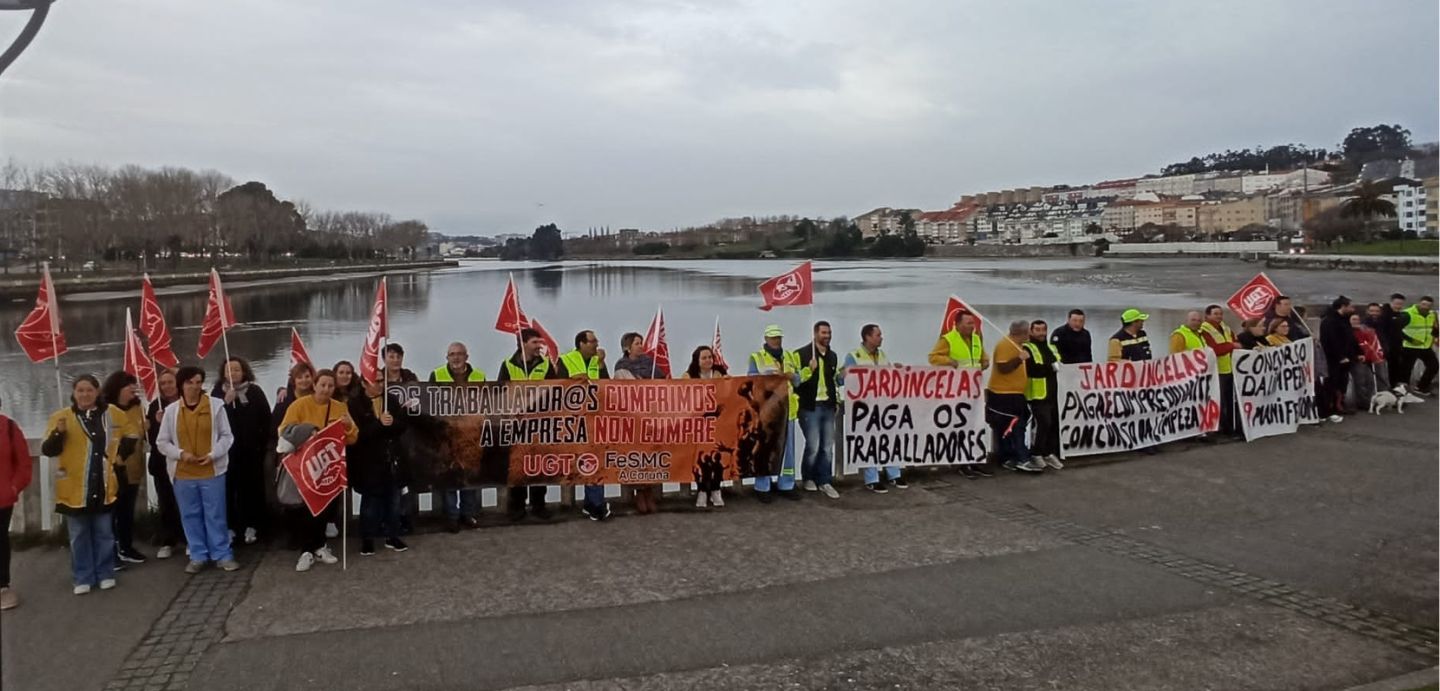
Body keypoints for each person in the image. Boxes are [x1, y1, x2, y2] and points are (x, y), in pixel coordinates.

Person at [43, 375, 140, 594]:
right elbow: (48, 450)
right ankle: (82, 577)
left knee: (104, 533)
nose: (85, 394)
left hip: (104, 484)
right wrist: (59, 433)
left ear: (97, 392)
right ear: (74, 393)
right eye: (80, 390)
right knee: (79, 536)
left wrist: (120, 456)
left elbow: (132, 433)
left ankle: (105, 573)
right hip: (75, 487)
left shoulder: (112, 413)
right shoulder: (61, 417)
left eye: (89, 390)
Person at [155, 366, 240, 575]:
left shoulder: (216, 406)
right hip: (183, 473)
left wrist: (213, 454)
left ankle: (222, 554)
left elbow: (227, 437)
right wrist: (181, 454)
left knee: (215, 514)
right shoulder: (171, 411)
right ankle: (198, 554)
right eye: (189, 383)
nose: (194, 387)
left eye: (198, 382)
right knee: (190, 515)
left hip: (211, 470)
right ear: (181, 385)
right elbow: (162, 442)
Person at [277, 369, 358, 572]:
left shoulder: (340, 407)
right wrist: (308, 431)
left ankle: (321, 546)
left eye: (330, 386)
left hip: (327, 466)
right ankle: (306, 550)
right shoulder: (299, 405)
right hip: (305, 465)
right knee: (305, 508)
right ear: (314, 385)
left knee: (325, 507)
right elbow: (283, 431)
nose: (326, 389)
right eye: (322, 385)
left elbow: (353, 437)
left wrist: (348, 426)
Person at [213, 357, 272, 546]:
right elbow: (213, 422)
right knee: (228, 490)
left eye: (237, 369)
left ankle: (253, 525)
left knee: (252, 489)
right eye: (229, 370)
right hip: (227, 453)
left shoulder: (254, 392)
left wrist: (262, 444)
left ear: (244, 372)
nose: (233, 373)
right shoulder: (216, 394)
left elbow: (266, 419)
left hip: (251, 451)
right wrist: (226, 403)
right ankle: (230, 527)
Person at [498, 328, 556, 521]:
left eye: (539, 342)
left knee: (539, 466)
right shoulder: (508, 364)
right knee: (518, 467)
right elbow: (500, 392)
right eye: (534, 342)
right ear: (523, 344)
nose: (539, 346)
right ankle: (517, 507)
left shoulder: (546, 365)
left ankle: (539, 505)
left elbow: (554, 392)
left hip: (539, 423)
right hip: (517, 423)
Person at [842, 324, 907, 492]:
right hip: (864, 407)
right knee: (868, 441)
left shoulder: (882, 355)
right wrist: (845, 374)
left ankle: (894, 473)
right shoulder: (854, 356)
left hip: (884, 405)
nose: (881, 338)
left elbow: (889, 377)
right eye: (878, 335)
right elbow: (841, 379)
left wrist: (897, 371)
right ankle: (872, 478)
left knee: (889, 439)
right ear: (868, 337)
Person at [349, 375, 409, 555]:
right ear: (364, 384)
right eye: (376, 381)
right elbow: (358, 435)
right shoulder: (355, 404)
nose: (381, 384)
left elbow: (402, 426)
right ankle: (367, 539)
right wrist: (379, 423)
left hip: (391, 458)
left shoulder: (390, 399)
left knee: (394, 501)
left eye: (382, 380)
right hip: (368, 462)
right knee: (370, 504)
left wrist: (392, 423)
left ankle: (393, 536)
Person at [557, 330, 612, 520]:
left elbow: (606, 387)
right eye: (592, 341)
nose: (596, 344)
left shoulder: (597, 361)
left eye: (596, 340)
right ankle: (592, 503)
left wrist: (603, 364)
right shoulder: (566, 360)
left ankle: (595, 503)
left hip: (594, 420)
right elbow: (558, 388)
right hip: (572, 421)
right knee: (581, 463)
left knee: (593, 463)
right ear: (581, 343)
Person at [931, 311, 992, 479]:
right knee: (961, 426)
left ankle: (974, 460)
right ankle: (962, 462)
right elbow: (933, 357)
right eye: (968, 323)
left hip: (975, 389)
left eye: (973, 323)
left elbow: (983, 357)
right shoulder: (948, 339)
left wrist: (986, 362)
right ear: (957, 324)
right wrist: (950, 362)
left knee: (976, 426)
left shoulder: (976, 339)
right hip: (957, 391)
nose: (972, 326)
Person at [430, 342, 484, 531]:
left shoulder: (479, 376)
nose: (456, 358)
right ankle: (452, 517)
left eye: (459, 354)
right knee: (451, 478)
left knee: (468, 477)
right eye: (452, 354)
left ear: (466, 357)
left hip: (469, 434)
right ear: (447, 357)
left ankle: (468, 515)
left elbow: (487, 404)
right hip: (447, 434)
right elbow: (430, 403)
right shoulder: (437, 375)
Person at [749, 325, 802, 502]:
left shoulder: (789, 356)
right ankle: (762, 486)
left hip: (788, 410)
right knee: (765, 448)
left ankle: (786, 484)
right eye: (773, 338)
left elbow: (798, 380)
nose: (776, 341)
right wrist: (769, 377)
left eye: (778, 337)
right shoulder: (757, 357)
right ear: (766, 339)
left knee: (788, 451)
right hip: (768, 410)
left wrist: (790, 376)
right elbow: (751, 380)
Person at [100, 372, 148, 566]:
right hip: (112, 470)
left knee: (126, 512)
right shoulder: (106, 410)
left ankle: (126, 547)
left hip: (134, 468)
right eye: (130, 387)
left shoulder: (137, 408)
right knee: (110, 513)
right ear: (118, 388)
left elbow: (140, 433)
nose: (133, 390)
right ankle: (110, 553)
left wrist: (148, 428)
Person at [612, 332, 662, 514]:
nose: (641, 346)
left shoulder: (651, 363)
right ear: (627, 347)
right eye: (637, 343)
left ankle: (649, 490)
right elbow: (622, 389)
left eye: (641, 343)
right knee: (636, 455)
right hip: (631, 418)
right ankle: (639, 492)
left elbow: (662, 382)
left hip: (651, 416)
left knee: (651, 454)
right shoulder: (621, 366)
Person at [988, 321, 1045, 473]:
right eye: (1028, 332)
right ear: (1022, 333)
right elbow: (1003, 367)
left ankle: (1009, 456)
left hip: (1015, 392)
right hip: (1004, 393)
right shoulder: (1005, 345)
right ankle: (1022, 458)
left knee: (1013, 425)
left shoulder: (1017, 345)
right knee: (1016, 424)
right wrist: (1019, 359)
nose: (1030, 335)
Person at [795, 321, 841, 499]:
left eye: (829, 332)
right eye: (823, 332)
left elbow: (834, 381)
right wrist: (808, 369)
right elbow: (795, 381)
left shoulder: (833, 356)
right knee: (813, 445)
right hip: (809, 407)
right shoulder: (801, 354)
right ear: (815, 334)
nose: (827, 336)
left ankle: (824, 480)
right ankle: (808, 477)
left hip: (827, 406)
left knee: (828, 446)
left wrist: (836, 399)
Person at [684, 345, 729, 508]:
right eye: (704, 358)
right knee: (700, 459)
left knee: (717, 458)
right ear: (697, 360)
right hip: (699, 424)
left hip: (718, 423)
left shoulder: (720, 373)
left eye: (710, 357)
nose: (708, 360)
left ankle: (716, 490)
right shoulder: (688, 376)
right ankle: (702, 491)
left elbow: (731, 392)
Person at [0, 396, 34, 610]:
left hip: (2, 498)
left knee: (0, 540)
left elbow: (24, 464)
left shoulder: (9, 428)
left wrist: (13, 488)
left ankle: (3, 586)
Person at [145, 369, 183, 559]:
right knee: (166, 502)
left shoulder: (187, 403)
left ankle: (187, 538)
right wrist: (156, 424)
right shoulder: (155, 407)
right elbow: (153, 440)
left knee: (185, 503)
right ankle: (168, 540)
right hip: (161, 464)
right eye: (163, 383)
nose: (167, 386)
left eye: (170, 382)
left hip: (183, 462)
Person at [1022, 320, 1063, 469]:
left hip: (1052, 391)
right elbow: (1032, 369)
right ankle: (1036, 453)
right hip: (1036, 394)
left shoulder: (1051, 347)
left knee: (1051, 424)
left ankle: (1048, 453)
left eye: (1043, 330)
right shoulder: (1027, 347)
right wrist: (1049, 367)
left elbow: (1058, 364)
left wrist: (1048, 367)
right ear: (1031, 332)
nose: (1041, 333)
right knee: (1042, 423)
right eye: (1037, 330)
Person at [1198, 305, 1241, 437]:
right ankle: (1224, 428)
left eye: (1220, 314)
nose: (1219, 316)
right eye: (1215, 314)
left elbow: (1236, 342)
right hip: (1217, 371)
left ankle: (1231, 425)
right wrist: (1231, 346)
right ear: (1207, 315)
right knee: (1219, 401)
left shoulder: (1226, 328)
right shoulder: (1204, 330)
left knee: (1229, 400)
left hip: (1230, 369)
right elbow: (1214, 349)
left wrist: (1233, 346)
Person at [1319, 297, 1359, 414]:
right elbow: (1331, 341)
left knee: (1342, 382)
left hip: (1346, 357)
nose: (1353, 309)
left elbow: (1350, 338)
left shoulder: (1344, 320)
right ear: (1343, 306)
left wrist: (1358, 352)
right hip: (1334, 359)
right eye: (1350, 306)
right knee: (1332, 383)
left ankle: (1339, 404)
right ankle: (1330, 407)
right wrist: (1340, 356)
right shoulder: (1329, 321)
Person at [1399, 296, 1438, 396]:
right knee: (1406, 370)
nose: (1425, 307)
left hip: (1425, 346)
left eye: (1428, 305)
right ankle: (1403, 391)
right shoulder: (1407, 314)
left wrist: (1436, 335)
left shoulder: (1431, 315)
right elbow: (1397, 330)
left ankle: (1421, 387)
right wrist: (1411, 340)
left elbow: (1432, 329)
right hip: (1409, 346)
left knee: (1434, 366)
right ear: (1419, 303)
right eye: (1424, 304)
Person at [1377, 294, 1411, 390]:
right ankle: (1388, 389)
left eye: (1401, 304)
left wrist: (1409, 339)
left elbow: (1398, 331)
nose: (1398, 306)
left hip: (1396, 347)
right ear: (1391, 302)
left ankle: (1394, 388)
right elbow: (1381, 332)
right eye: (1396, 304)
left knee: (1395, 369)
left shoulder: (1398, 314)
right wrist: (1384, 347)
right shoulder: (1384, 315)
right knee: (1388, 370)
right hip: (1387, 348)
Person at [1349, 313, 1382, 409]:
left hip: (1364, 358)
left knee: (1369, 380)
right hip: (1355, 359)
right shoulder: (1348, 332)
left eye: (1357, 319)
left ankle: (1369, 400)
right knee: (1360, 381)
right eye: (1354, 319)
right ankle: (1362, 402)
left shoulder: (1363, 332)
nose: (1356, 322)